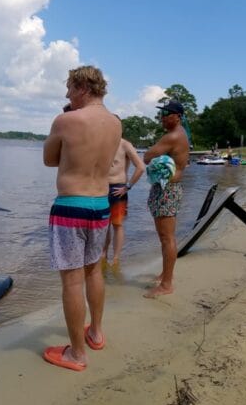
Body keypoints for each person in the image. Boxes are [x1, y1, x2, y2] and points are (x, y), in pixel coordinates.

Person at [42, 65, 121, 371]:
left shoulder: (66, 120)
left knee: (72, 281)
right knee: (94, 272)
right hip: (101, 205)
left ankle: (76, 353)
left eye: (70, 88)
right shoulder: (116, 124)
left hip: (71, 206)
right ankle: (96, 333)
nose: (67, 95)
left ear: (83, 87)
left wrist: (61, 134)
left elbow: (49, 159)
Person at [142, 100, 190, 298]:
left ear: (177, 117)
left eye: (167, 113)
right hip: (170, 188)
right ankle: (165, 274)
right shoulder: (181, 134)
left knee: (166, 237)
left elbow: (147, 157)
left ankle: (167, 284)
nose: (162, 117)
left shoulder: (173, 136)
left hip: (168, 190)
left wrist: (153, 158)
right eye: (162, 113)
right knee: (166, 237)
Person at [104, 132, 145, 268]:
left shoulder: (125, 144)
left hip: (118, 189)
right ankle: (103, 255)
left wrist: (128, 186)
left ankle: (116, 258)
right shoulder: (100, 142)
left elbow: (141, 167)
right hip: (100, 189)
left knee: (117, 224)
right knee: (103, 225)